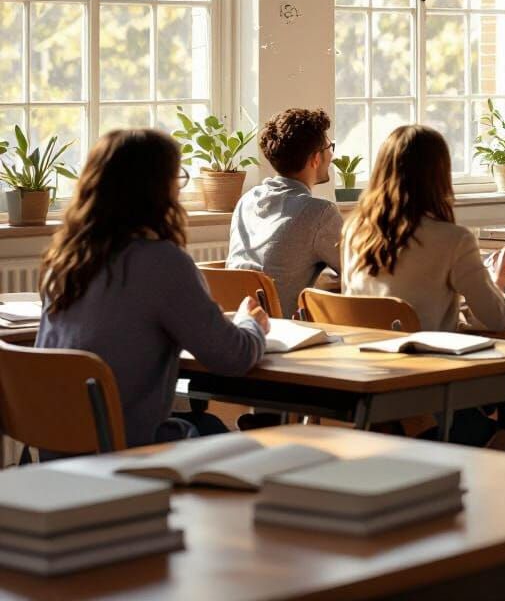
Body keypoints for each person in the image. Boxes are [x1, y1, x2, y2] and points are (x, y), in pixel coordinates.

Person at [36, 129, 268, 449]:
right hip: (129, 454)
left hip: (58, 456)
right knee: (245, 444)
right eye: (178, 178)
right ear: (159, 189)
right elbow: (232, 357)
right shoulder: (161, 262)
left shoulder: (61, 261)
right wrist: (251, 323)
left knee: (207, 425)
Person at [341, 125, 505, 446]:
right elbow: (497, 319)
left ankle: (418, 432)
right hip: (427, 378)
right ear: (440, 175)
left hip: (364, 371)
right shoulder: (452, 239)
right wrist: (497, 284)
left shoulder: (355, 231)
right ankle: (468, 439)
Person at [228, 107, 343, 319]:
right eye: (329, 147)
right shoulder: (319, 213)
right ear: (315, 159)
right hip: (285, 333)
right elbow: (357, 271)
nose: (332, 154)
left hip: (238, 325)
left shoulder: (247, 200)